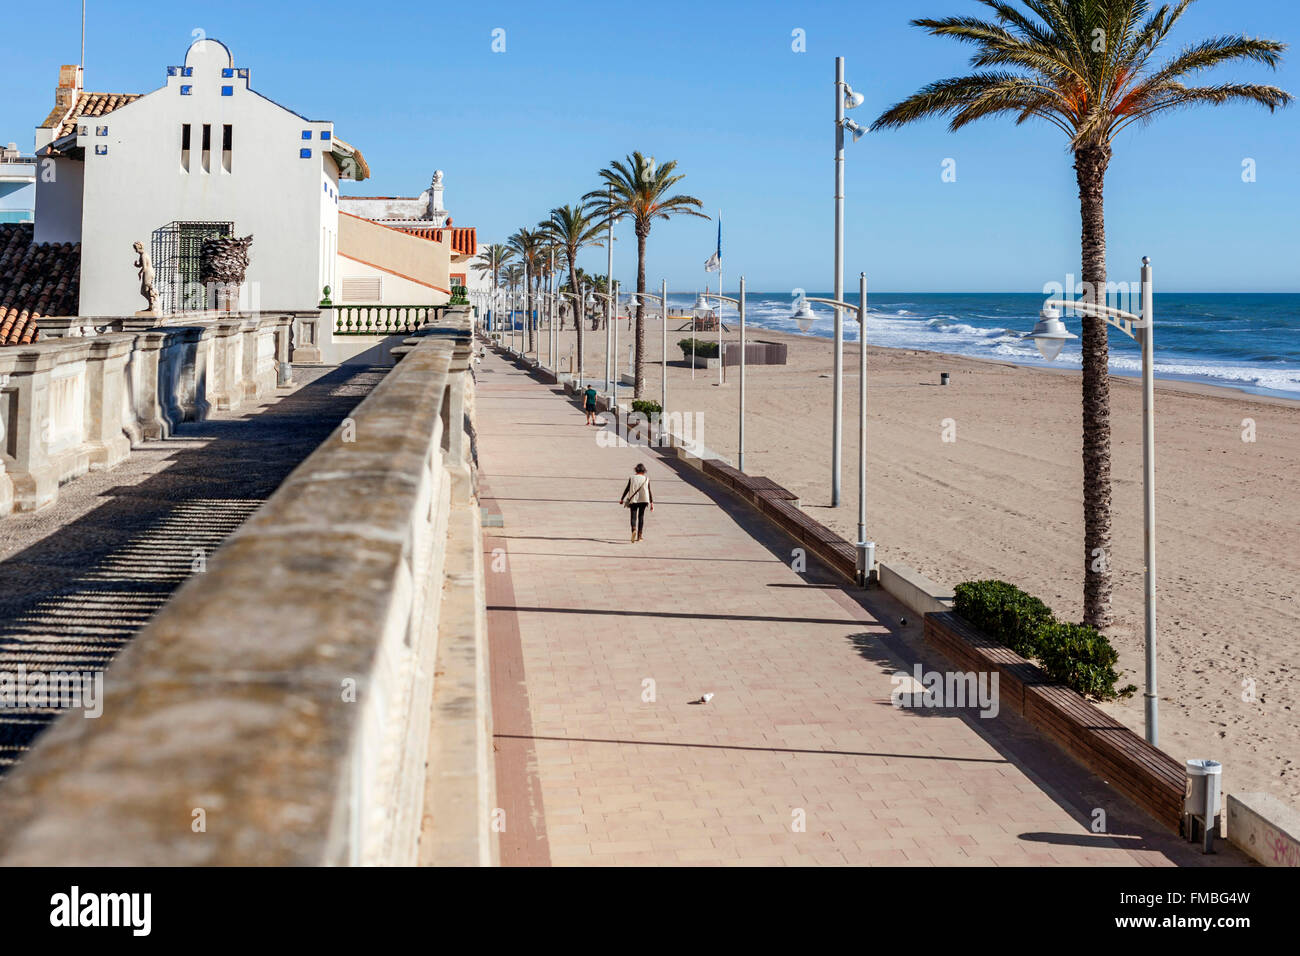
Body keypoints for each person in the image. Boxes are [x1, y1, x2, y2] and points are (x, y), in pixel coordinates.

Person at [619, 463, 654, 542]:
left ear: (636, 470)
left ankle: (634, 529)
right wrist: (651, 502)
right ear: (644, 471)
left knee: (633, 517)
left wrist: (622, 498)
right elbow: (649, 491)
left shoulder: (632, 478)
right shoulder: (646, 478)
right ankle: (639, 536)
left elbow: (627, 488)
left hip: (633, 500)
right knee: (641, 517)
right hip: (644, 500)